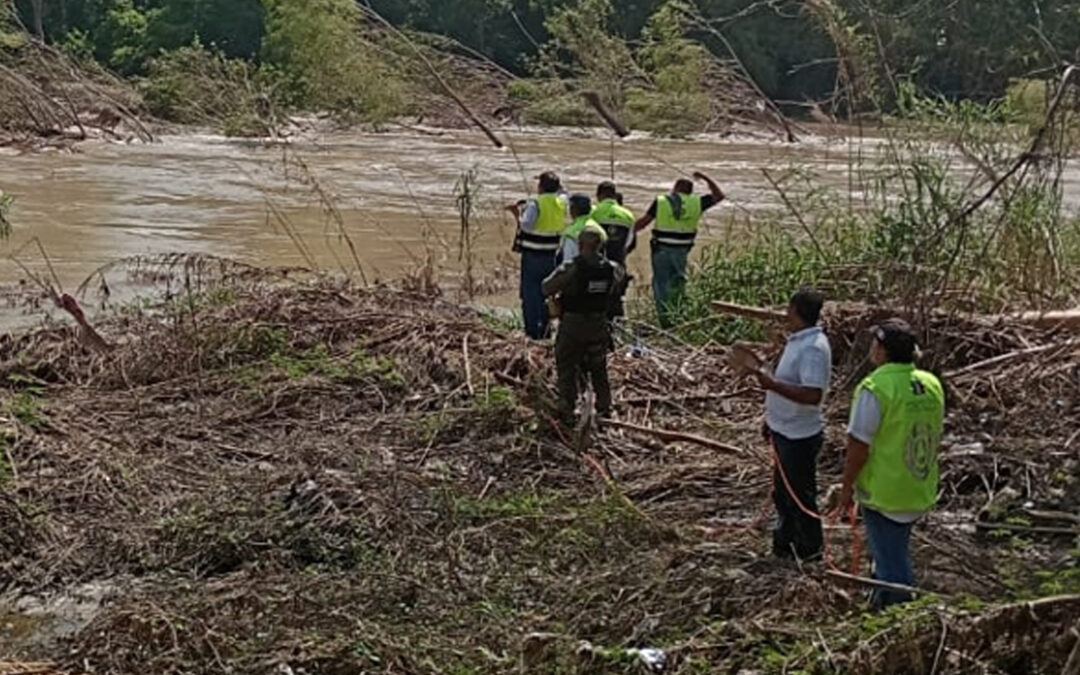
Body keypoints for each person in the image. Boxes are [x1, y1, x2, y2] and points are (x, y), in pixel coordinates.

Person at [834, 318, 945, 609]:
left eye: (875, 344)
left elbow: (859, 447)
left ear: (882, 351)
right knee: (892, 552)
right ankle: (880, 602)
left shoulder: (875, 388)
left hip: (886, 492)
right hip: (918, 484)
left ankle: (901, 621)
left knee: (893, 564)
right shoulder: (930, 383)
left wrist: (846, 488)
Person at [750, 288, 832, 561]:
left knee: (800, 498)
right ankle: (785, 546)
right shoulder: (799, 341)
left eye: (788, 309)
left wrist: (771, 384)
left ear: (795, 311)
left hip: (799, 436)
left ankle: (809, 551)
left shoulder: (812, 349)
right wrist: (771, 420)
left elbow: (812, 395)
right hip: (784, 430)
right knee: (783, 495)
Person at [542, 224, 625, 424]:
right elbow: (615, 291)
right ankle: (605, 407)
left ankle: (567, 407)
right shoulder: (613, 268)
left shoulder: (572, 267)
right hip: (598, 324)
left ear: (580, 245)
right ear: (601, 246)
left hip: (573, 324)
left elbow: (546, 287)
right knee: (598, 367)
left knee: (567, 364)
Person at [634, 171, 725, 326]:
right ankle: (678, 318)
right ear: (690, 191)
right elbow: (719, 196)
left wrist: (627, 232)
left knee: (661, 285)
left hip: (661, 249)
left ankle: (665, 321)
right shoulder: (696, 203)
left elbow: (644, 222)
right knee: (678, 284)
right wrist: (705, 177)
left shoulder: (662, 201)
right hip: (682, 251)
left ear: (675, 188)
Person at [507, 171, 568, 339]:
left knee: (530, 293)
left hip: (533, 255)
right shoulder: (561, 202)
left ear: (540, 187)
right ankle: (547, 329)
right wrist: (556, 183)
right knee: (546, 291)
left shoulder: (536, 203)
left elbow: (526, 226)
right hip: (551, 254)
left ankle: (533, 332)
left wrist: (517, 214)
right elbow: (565, 193)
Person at [592, 181, 635, 265]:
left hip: (597, 263)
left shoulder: (593, 212)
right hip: (618, 261)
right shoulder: (628, 215)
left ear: (598, 195)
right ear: (614, 195)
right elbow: (630, 241)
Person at [559, 194, 602, 263]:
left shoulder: (571, 232)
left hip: (578, 271)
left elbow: (567, 261)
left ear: (573, 209)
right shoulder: (599, 229)